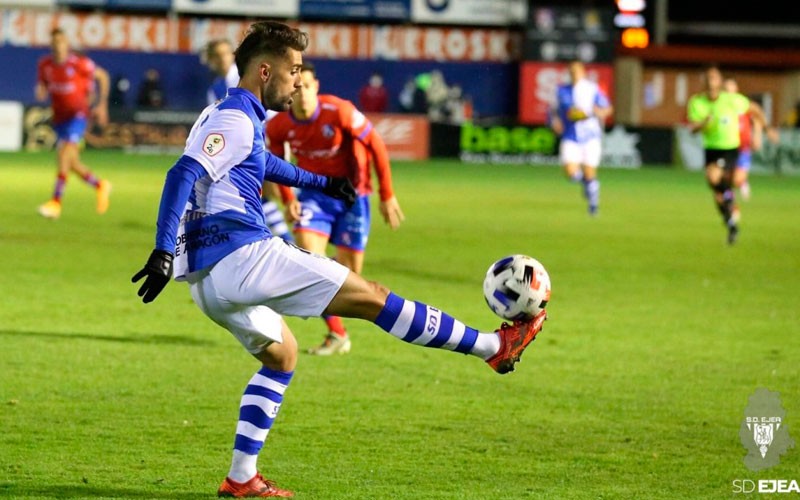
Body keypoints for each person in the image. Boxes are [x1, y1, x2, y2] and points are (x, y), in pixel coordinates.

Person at [132, 20, 547, 498]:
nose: (297, 83)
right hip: (243, 257)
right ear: (264, 71)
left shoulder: (222, 115)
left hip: (209, 283)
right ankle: (495, 349)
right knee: (372, 296)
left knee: (282, 357)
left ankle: (241, 477)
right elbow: (181, 174)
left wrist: (324, 183)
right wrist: (162, 250)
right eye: (293, 72)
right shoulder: (234, 119)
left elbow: (262, 164)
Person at [267, 62, 405, 356]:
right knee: (310, 263)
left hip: (354, 196)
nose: (303, 93)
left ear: (317, 86)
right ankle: (337, 332)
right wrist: (289, 199)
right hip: (314, 198)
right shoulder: (278, 125)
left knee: (350, 275)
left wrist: (387, 194)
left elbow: (376, 145)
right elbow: (275, 164)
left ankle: (333, 283)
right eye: (297, 86)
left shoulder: (339, 111)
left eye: (308, 85)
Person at [204, 38, 294, 242]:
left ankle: (302, 235)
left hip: (266, 138)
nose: (222, 60)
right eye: (216, 56)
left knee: (276, 191)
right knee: (262, 192)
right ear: (210, 60)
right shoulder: (215, 88)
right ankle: (288, 239)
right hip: (245, 144)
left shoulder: (245, 76)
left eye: (225, 54)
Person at [687, 66, 772, 244]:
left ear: (719, 82)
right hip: (711, 149)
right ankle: (731, 223)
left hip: (730, 148)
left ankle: (731, 198)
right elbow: (692, 129)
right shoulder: (697, 102)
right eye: (708, 79)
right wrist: (703, 124)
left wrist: (766, 128)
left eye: (714, 79)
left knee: (714, 176)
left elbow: (754, 109)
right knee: (717, 190)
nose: (711, 83)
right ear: (704, 82)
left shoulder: (731, 100)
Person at [35, 27, 112, 219]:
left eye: (61, 41)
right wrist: (41, 90)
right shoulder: (45, 65)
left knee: (63, 155)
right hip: (60, 118)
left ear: (67, 44)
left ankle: (56, 202)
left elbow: (103, 76)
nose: (58, 46)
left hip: (78, 116)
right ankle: (100, 185)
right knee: (71, 162)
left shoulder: (79, 64)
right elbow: (43, 85)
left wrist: (102, 105)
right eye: (55, 42)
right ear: (51, 45)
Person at [549, 60, 613, 216]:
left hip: (590, 137)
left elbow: (607, 108)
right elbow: (555, 111)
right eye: (571, 72)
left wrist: (600, 112)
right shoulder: (562, 91)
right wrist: (554, 122)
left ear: (583, 73)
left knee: (590, 172)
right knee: (571, 174)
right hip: (571, 136)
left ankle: (593, 206)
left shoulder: (592, 89)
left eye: (576, 71)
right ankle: (586, 184)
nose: (574, 75)